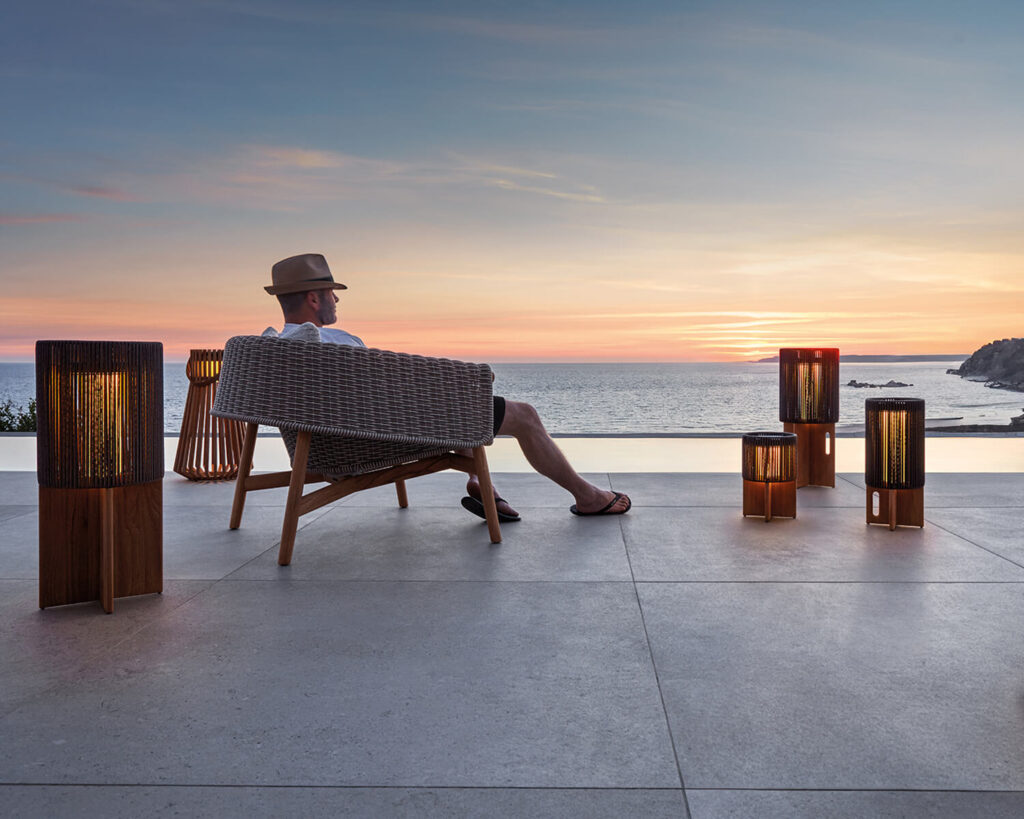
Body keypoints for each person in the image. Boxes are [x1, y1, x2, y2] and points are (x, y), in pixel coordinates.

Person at [264, 253, 630, 519]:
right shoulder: (331, 344)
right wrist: (460, 389)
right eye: (331, 292)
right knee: (524, 416)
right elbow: (387, 393)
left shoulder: (279, 348)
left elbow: (373, 393)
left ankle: (479, 481)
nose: (336, 298)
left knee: (464, 410)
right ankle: (587, 497)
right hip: (372, 440)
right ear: (314, 297)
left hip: (331, 445)